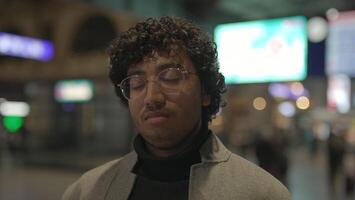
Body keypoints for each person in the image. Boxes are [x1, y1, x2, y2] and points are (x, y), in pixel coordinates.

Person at [62, 16, 290, 200]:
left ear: (206, 93)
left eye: (170, 76)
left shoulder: (262, 193)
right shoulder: (87, 191)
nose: (152, 97)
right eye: (137, 83)